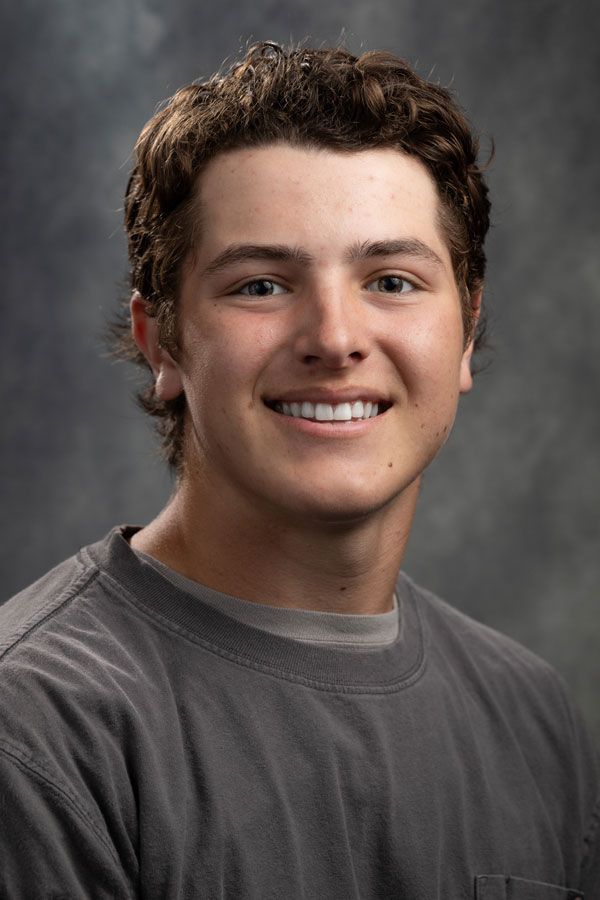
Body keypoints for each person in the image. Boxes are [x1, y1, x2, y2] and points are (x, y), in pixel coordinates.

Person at [0, 41, 598, 899]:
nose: (335, 337)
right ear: (160, 338)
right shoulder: (37, 731)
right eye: (260, 286)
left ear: (466, 329)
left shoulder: (533, 718)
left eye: (391, 280)